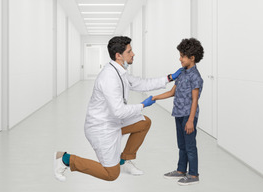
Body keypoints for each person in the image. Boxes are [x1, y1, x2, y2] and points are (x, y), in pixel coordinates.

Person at [53, 36, 183, 182]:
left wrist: (169, 78)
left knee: (144, 123)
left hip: (113, 122)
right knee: (111, 174)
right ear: (118, 55)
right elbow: (119, 111)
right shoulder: (109, 77)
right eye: (129, 51)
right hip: (101, 129)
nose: (133, 54)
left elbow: (141, 83)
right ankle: (65, 159)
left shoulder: (119, 72)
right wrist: (142, 105)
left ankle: (124, 161)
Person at [152, 38, 204, 186]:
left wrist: (190, 120)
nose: (179, 58)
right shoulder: (181, 73)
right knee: (181, 145)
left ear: (192, 58)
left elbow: (195, 100)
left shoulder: (195, 77)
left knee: (190, 146)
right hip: (179, 114)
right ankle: (181, 170)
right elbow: (171, 92)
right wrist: (155, 97)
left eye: (182, 56)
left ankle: (193, 174)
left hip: (188, 115)